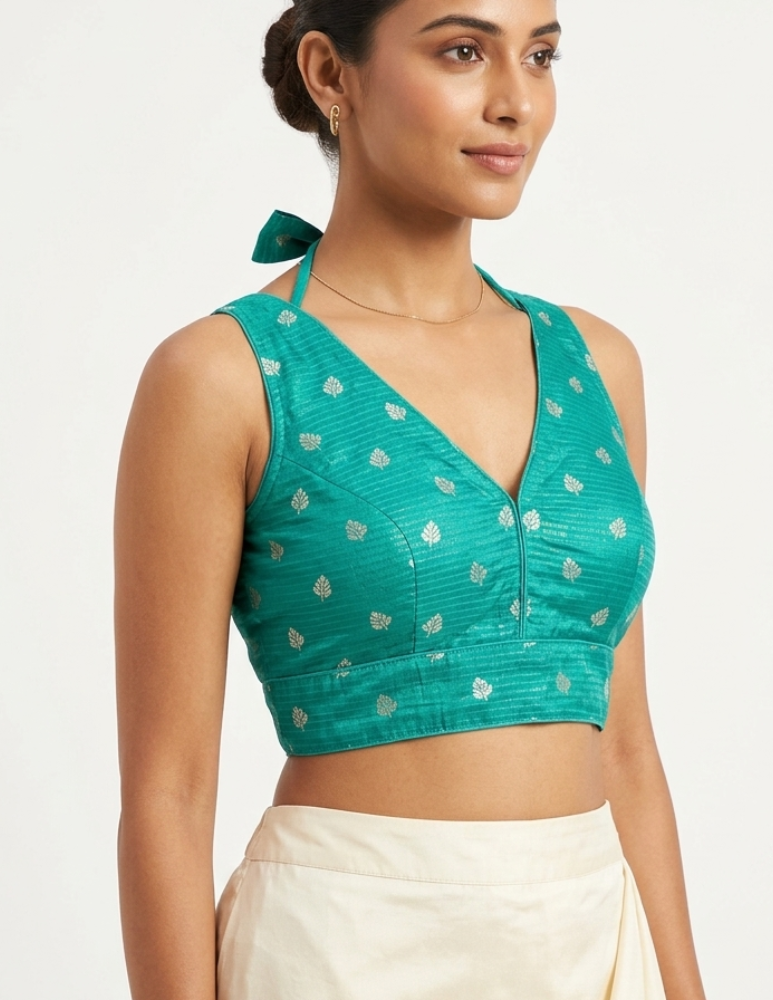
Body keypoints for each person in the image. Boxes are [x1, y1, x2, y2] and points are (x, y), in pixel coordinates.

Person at [114, 2, 707, 998]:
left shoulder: (596, 363)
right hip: (346, 942)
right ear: (330, 74)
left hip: (593, 935)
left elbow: (629, 746)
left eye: (541, 56)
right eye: (463, 51)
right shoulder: (228, 376)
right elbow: (166, 792)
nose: (516, 101)